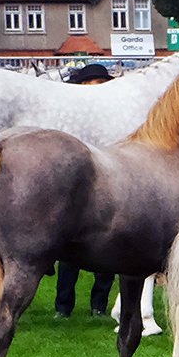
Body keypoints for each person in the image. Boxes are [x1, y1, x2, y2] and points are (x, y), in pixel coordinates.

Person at [53, 61, 118, 317]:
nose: (94, 89)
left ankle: (99, 305)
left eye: (99, 84)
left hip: (107, 182)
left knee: (111, 244)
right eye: (90, 84)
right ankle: (63, 306)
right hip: (76, 186)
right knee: (68, 248)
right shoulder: (72, 117)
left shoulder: (113, 118)